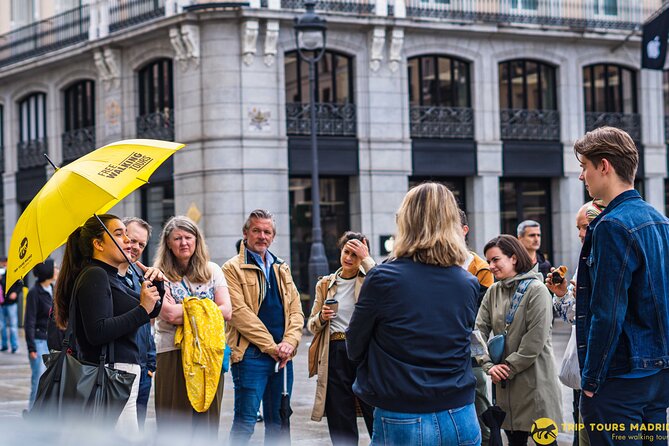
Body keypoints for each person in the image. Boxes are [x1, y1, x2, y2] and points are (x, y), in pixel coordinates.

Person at [346, 183, 481, 446]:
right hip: (462, 414)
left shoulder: (383, 278)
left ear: (405, 221)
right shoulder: (467, 282)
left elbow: (354, 345)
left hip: (403, 413)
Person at [574, 126, 669, 445]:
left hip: (620, 379)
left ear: (604, 166)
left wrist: (590, 381)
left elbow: (607, 313)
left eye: (584, 166)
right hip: (657, 377)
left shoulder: (611, 226)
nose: (581, 176)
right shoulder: (660, 221)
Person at [52, 214, 162, 434]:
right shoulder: (95, 275)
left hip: (122, 374)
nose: (128, 241)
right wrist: (142, 310)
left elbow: (152, 309)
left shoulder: (114, 277)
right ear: (98, 244)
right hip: (110, 375)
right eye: (119, 234)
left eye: (127, 235)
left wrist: (156, 283)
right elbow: (98, 332)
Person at [224, 209, 304, 445]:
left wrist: (290, 343)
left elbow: (296, 310)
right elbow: (239, 314)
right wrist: (272, 347)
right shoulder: (231, 269)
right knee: (245, 422)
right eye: (256, 230)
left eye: (267, 231)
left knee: (279, 421)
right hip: (251, 356)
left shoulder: (282, 267)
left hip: (283, 358)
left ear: (273, 236)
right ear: (245, 233)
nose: (262, 236)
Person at [476, 234, 562, 446]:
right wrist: (487, 365)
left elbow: (535, 341)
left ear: (513, 258)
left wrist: (504, 369)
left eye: (495, 259)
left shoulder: (538, 290)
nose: (491, 266)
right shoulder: (493, 291)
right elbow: (478, 331)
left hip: (536, 386)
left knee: (545, 443)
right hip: (505, 388)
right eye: (488, 261)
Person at [153, 216, 232, 432]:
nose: (184, 243)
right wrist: (207, 308)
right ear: (168, 243)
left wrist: (186, 310)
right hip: (172, 351)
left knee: (206, 421)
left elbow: (227, 310)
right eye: (177, 238)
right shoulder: (158, 274)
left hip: (208, 354)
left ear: (197, 241)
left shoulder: (213, 270)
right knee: (174, 420)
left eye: (188, 237)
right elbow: (168, 315)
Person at [308, 231, 375, 445]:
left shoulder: (370, 281)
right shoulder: (325, 284)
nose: (348, 258)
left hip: (364, 352)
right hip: (335, 351)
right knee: (339, 414)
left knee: (373, 407)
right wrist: (321, 316)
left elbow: (387, 284)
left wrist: (367, 260)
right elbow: (311, 325)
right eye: (346, 252)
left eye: (355, 255)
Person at [545, 201, 603, 446]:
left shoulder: (612, 259)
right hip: (583, 369)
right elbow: (574, 318)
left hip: (608, 375)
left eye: (585, 227)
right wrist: (561, 294)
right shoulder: (585, 260)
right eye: (578, 228)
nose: (580, 234)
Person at [118, 217, 156, 429]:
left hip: (143, 371)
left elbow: (147, 321)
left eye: (141, 244)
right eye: (131, 240)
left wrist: (150, 365)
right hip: (120, 371)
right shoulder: (109, 275)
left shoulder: (137, 274)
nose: (135, 247)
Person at [460, 210, 494, 446]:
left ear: (464, 230)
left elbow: (484, 314)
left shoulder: (480, 267)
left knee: (479, 394)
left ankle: (488, 438)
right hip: (447, 348)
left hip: (471, 345)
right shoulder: (438, 261)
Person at [24, 258, 57, 409]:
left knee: (51, 383)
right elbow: (29, 322)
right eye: (54, 268)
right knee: (38, 381)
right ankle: (32, 413)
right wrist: (32, 348)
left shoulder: (54, 289)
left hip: (52, 342)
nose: (57, 270)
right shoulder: (34, 293)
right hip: (38, 342)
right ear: (47, 272)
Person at [0, 257, 21, 353]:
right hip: (1, 302)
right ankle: (4, 345)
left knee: (13, 325)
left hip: (11, 303)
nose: (3, 264)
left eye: (5, 262)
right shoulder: (1, 273)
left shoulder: (14, 271)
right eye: (2, 262)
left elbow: (20, 284)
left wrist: (15, 293)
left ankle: (14, 346)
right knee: (2, 325)